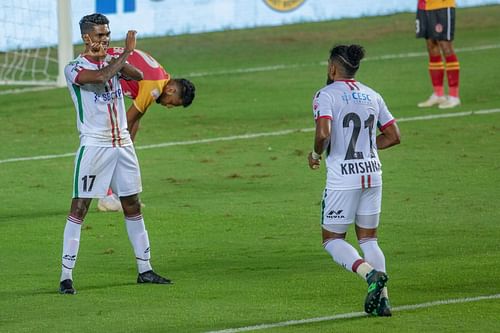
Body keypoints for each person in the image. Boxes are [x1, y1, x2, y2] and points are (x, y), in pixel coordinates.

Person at [59, 13, 171, 295]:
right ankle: (66, 276)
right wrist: (127, 53)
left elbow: (138, 75)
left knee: (132, 204)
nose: (105, 39)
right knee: (79, 208)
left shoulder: (112, 61)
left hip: (123, 142)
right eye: (99, 35)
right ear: (86, 37)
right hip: (95, 145)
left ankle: (145, 270)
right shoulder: (73, 68)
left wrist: (115, 58)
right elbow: (98, 78)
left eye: (107, 34)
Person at [308, 44, 401, 316]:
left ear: (333, 67)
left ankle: (370, 274)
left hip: (343, 179)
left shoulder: (325, 95)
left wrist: (315, 154)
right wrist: (367, 146)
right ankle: (382, 301)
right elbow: (394, 136)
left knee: (332, 239)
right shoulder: (373, 94)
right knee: (369, 239)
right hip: (373, 174)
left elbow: (323, 133)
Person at [97, 48, 196, 212]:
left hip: (103, 72)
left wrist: (128, 147)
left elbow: (136, 119)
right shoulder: (155, 87)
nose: (169, 106)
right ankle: (106, 197)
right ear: (171, 90)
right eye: (173, 103)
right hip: (97, 73)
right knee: (108, 144)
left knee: (119, 147)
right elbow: (127, 121)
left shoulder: (161, 77)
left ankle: (118, 195)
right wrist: (123, 147)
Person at [416, 0, 460, 109]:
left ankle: (454, 96)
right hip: (424, 6)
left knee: (445, 46)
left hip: (443, 5)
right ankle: (439, 94)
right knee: (431, 46)